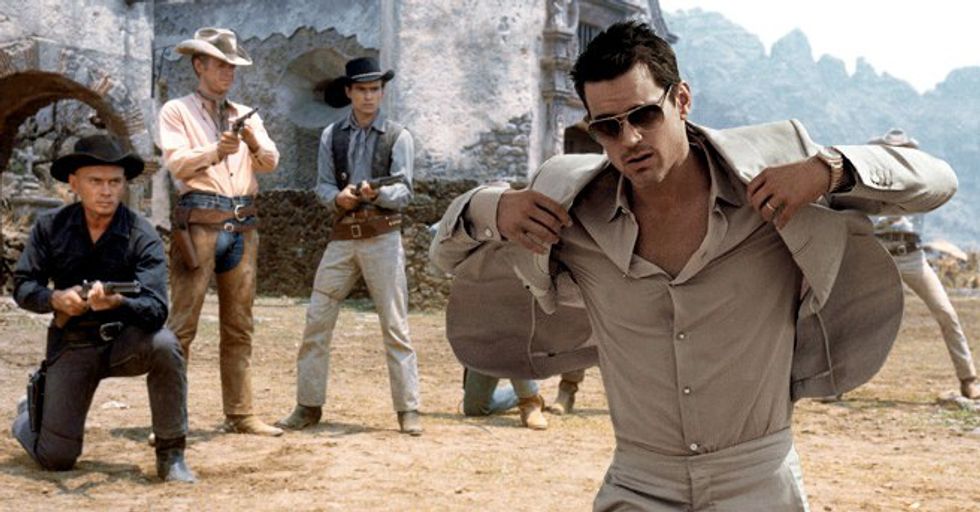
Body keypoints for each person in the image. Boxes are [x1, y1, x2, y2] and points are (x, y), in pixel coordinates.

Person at [429, 21, 957, 510]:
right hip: (638, 484)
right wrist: (491, 207)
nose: (630, 140)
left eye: (644, 115)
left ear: (681, 100)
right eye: (608, 128)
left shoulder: (773, 183)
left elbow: (937, 181)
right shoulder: (570, 206)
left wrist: (829, 170)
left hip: (759, 481)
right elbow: (444, 255)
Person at [11, 134, 194, 483]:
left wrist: (119, 303)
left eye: (115, 182)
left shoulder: (142, 234)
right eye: (95, 181)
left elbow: (157, 309)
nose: (106, 191)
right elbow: (22, 285)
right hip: (73, 343)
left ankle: (171, 454)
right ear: (74, 183)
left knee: (166, 345)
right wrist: (55, 299)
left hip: (126, 343)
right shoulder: (50, 227)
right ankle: (27, 416)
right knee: (56, 458)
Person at [277, 57, 422, 436]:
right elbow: (323, 185)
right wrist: (337, 198)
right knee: (317, 320)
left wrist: (379, 194)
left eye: (375, 89)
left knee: (395, 326)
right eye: (361, 90)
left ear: (382, 93)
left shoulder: (398, 136)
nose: (368, 97)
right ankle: (308, 405)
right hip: (343, 238)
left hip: (383, 236)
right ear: (349, 92)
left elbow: (405, 190)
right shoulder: (331, 135)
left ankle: (408, 409)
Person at [158, 27, 282, 436]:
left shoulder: (245, 114)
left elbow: (270, 162)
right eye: (221, 65)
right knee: (182, 325)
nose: (229, 72)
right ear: (199, 65)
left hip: (243, 224)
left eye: (232, 66)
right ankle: (170, 420)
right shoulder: (176, 111)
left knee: (240, 325)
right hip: (199, 222)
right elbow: (177, 163)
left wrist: (250, 141)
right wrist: (216, 151)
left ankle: (241, 413)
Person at [869, 129, 979, 399]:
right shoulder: (872, 183)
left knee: (945, 312)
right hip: (879, 255)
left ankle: (968, 379)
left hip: (912, 256)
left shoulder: (920, 182)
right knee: (857, 317)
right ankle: (838, 384)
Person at [461, 368, 548, 430]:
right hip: (483, 351)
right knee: (474, 409)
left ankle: (530, 400)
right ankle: (519, 392)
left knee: (510, 348)